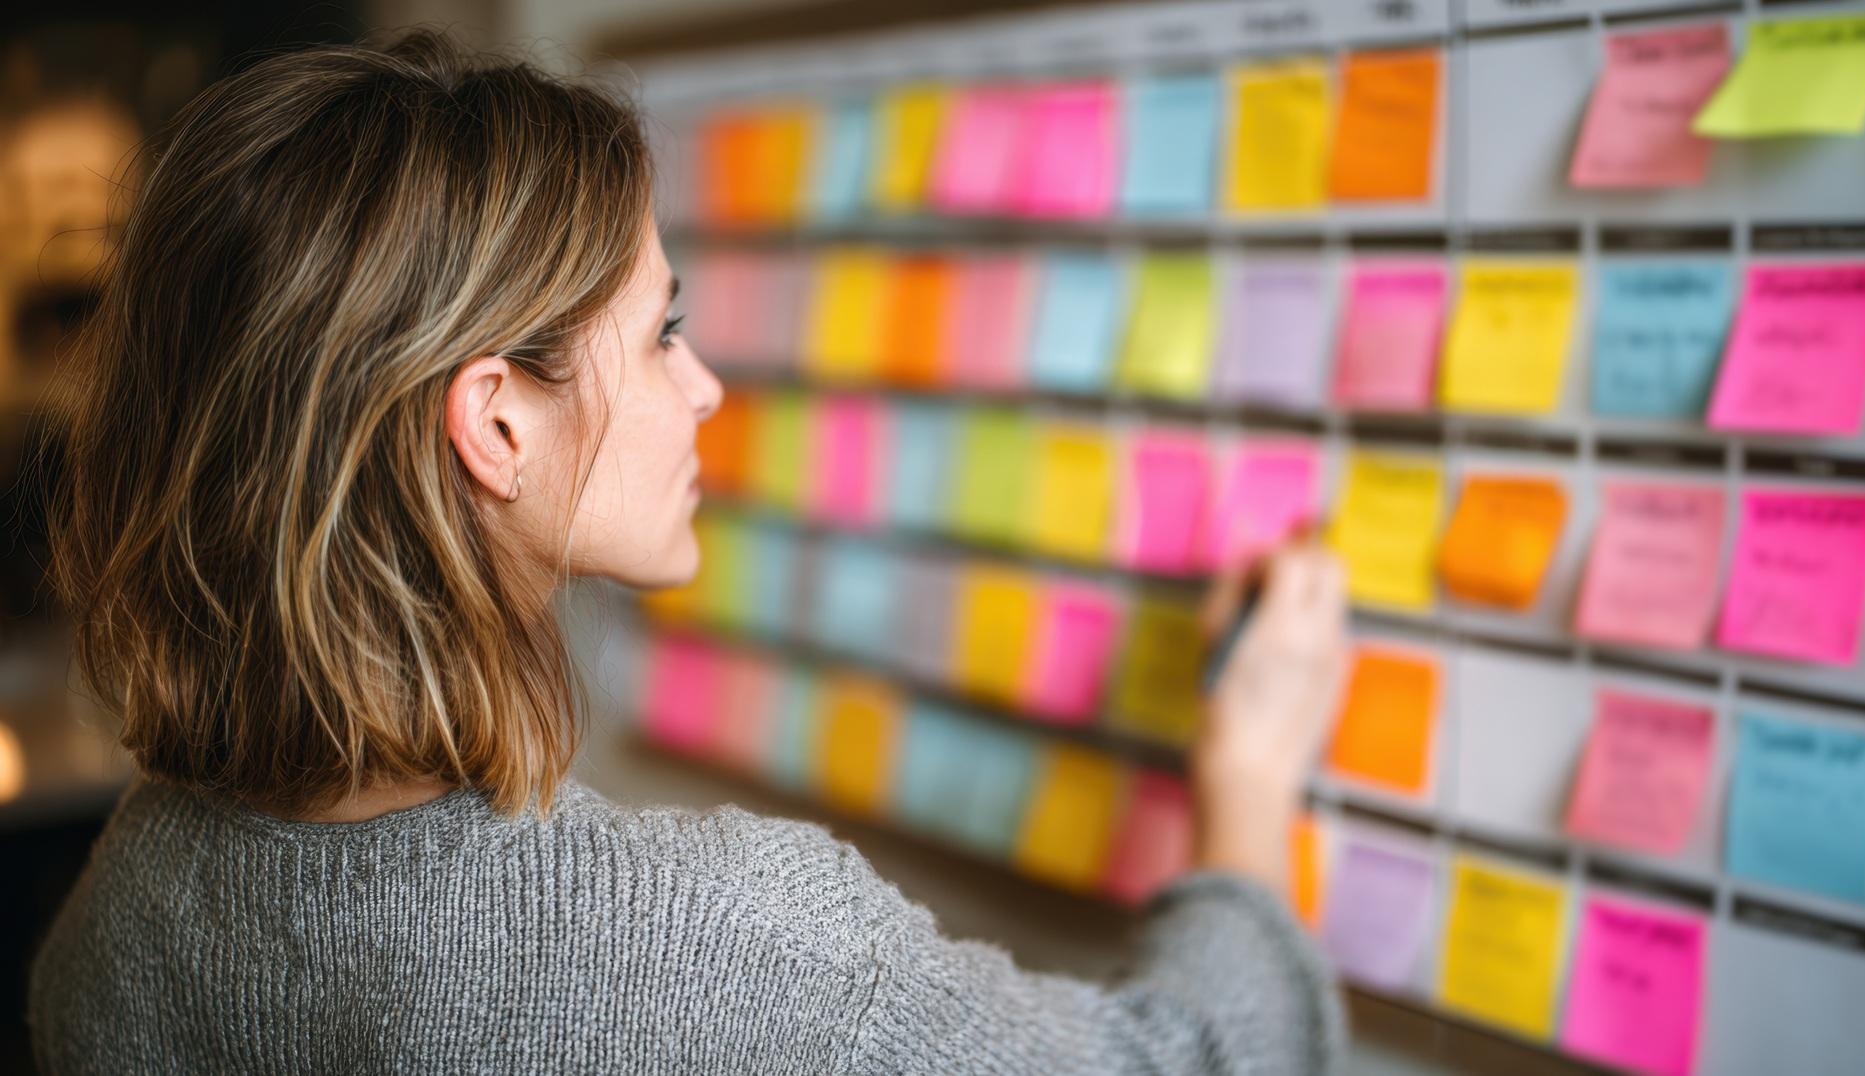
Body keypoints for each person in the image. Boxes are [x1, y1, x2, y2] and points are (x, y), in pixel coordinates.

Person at [29, 30, 1352, 1075]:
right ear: (496, 420)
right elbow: (1184, 1061)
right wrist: (1246, 784)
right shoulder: (706, 944)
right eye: (664, 330)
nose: (706, 384)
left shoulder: (127, 902)